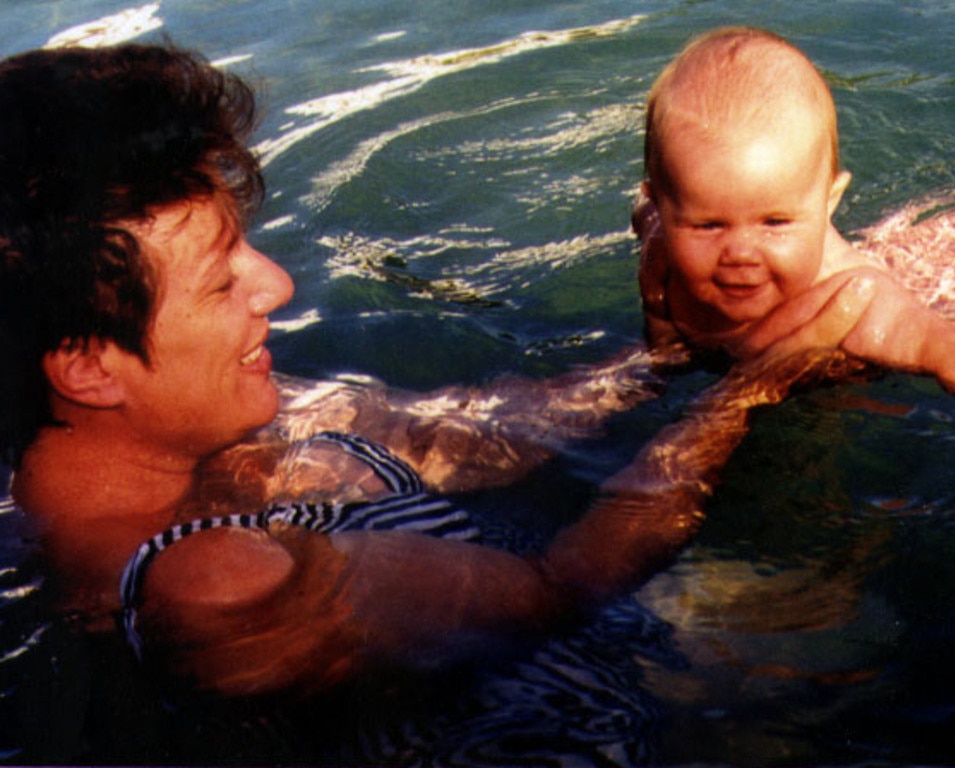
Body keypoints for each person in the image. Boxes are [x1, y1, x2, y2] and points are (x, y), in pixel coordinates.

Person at [0, 39, 863, 725]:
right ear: (86, 367)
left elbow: (476, 438)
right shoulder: (212, 585)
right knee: (852, 628)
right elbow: (562, 589)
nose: (277, 286)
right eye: (223, 282)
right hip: (593, 702)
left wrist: (670, 355)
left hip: (553, 628)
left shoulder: (177, 427)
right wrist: (755, 385)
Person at [633, 26, 955, 410]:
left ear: (829, 201)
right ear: (661, 206)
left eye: (775, 223)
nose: (740, 253)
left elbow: (947, 349)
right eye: (709, 225)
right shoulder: (659, 235)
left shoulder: (855, 301)